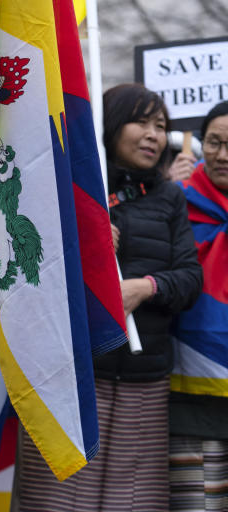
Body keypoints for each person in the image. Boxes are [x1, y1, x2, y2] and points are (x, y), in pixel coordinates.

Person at [14, 83, 203, 511]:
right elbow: (31, 270)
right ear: (111, 125)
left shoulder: (169, 197)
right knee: (61, 498)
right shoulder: (71, 188)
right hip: (74, 373)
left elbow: (189, 278)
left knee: (132, 498)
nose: (154, 134)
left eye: (161, 126)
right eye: (141, 121)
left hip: (145, 376)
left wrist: (146, 288)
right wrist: (82, 247)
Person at [169, 100, 228, 510]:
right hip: (191, 383)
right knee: (200, 503)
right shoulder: (175, 202)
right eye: (214, 142)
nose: (223, 155)